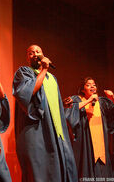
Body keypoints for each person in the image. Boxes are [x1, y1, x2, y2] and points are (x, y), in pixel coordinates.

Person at [13, 45, 78, 182]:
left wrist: (62, 105)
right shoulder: (24, 72)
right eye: (31, 53)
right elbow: (28, 93)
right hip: (37, 130)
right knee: (40, 172)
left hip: (56, 130)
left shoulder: (52, 78)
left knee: (63, 168)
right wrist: (44, 69)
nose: (35, 54)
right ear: (27, 57)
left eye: (38, 51)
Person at [63, 77, 114, 179]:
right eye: (88, 85)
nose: (92, 87)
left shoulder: (102, 102)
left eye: (94, 85)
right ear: (82, 89)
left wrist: (112, 98)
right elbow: (68, 109)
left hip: (102, 142)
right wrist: (89, 100)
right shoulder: (77, 99)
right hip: (85, 141)